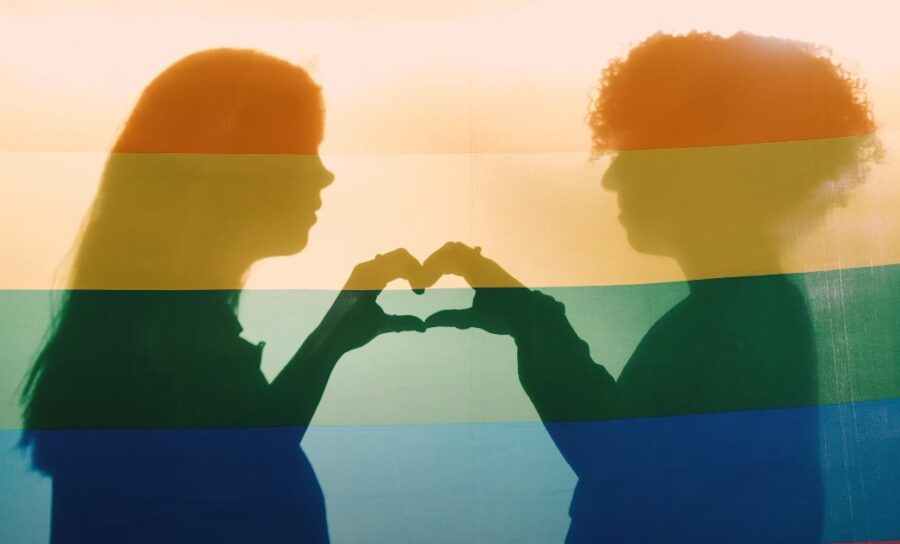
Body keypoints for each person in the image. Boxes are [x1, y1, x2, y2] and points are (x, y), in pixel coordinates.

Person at [422, 32, 880, 542]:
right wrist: (528, 319)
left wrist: (531, 322)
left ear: (701, 167)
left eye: (633, 152)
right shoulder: (747, 309)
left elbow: (622, 468)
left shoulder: (742, 321)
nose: (611, 179)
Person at [20, 48, 427, 543]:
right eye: (302, 150)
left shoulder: (151, 347)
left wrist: (330, 341)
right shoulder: (167, 353)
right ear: (228, 170)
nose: (324, 174)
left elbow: (240, 459)